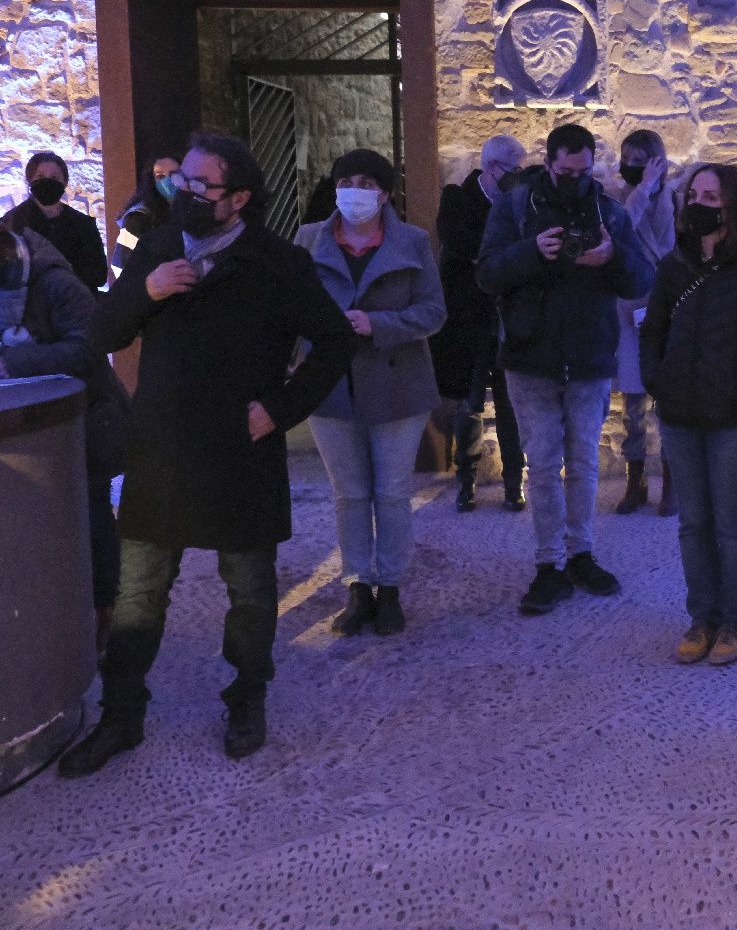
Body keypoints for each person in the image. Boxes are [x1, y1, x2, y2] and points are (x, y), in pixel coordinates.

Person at [58, 131, 354, 775]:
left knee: (249, 592)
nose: (184, 193)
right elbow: (102, 331)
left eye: (200, 186)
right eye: (180, 181)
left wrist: (277, 409)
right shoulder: (159, 247)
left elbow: (334, 341)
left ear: (239, 198)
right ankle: (121, 716)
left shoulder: (278, 264)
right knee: (137, 595)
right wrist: (147, 291)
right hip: (160, 450)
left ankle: (247, 697)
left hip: (238, 454)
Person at [476, 122, 654, 616]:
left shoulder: (608, 210)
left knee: (584, 463)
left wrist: (612, 255)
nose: (574, 179)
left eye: (583, 170)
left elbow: (642, 276)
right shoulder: (515, 207)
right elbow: (486, 273)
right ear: (549, 163)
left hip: (591, 356)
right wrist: (532, 252)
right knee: (543, 466)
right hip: (530, 358)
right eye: (564, 170)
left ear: (592, 165)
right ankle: (548, 564)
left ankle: (581, 553)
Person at [640, 163, 737, 666]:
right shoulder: (674, 265)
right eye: (694, 195)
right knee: (693, 523)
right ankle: (702, 616)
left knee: (730, 521)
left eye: (712, 196)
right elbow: (652, 329)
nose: (700, 205)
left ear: (733, 206)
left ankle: (736, 621)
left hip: (734, 418)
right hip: (680, 411)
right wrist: (656, 377)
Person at [295, 149, 445, 638]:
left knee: (393, 492)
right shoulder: (309, 239)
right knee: (350, 494)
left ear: (383, 191)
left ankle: (392, 588)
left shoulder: (414, 242)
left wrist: (376, 323)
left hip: (396, 382)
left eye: (365, 182)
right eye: (345, 180)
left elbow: (433, 312)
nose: (353, 190)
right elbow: (289, 311)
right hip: (330, 383)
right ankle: (358, 587)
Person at [0, 227, 129, 650]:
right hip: (27, 429)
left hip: (85, 421)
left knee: (87, 515)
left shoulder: (55, 283)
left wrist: (12, 363)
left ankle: (106, 614)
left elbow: (90, 349)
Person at [434, 135, 527, 513]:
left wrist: (494, 261)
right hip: (468, 321)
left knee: (509, 405)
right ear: (493, 168)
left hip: (506, 320)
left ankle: (512, 483)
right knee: (469, 405)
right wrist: (499, 258)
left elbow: (518, 252)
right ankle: (466, 480)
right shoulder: (457, 199)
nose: (519, 177)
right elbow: (459, 243)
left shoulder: (519, 204)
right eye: (515, 169)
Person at [610, 129, 679, 516]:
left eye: (640, 160)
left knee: (667, 401)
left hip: (663, 306)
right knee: (632, 405)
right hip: (629, 307)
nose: (631, 167)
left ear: (656, 160)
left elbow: (671, 247)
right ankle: (635, 480)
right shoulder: (617, 197)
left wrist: (656, 190)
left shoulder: (673, 197)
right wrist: (643, 187)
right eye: (627, 159)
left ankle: (671, 481)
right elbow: (620, 227)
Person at [4, 151, 107, 294]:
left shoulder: (82, 224)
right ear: (30, 181)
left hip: (74, 303)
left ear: (64, 182)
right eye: (40, 176)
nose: (47, 181)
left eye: (55, 177)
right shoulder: (12, 222)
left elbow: (99, 275)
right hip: (30, 309)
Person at [109, 155, 181, 278]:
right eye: (160, 176)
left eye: (175, 174)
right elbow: (121, 267)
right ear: (151, 180)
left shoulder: (186, 210)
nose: (168, 181)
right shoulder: (139, 217)